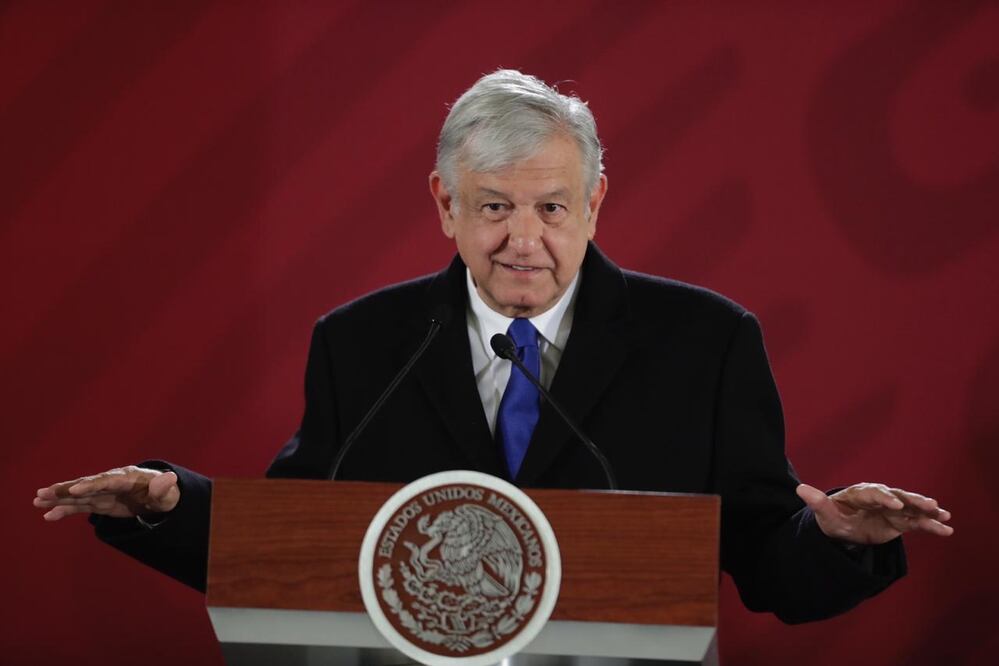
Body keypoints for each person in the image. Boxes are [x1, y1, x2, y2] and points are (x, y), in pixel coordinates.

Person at [34, 70, 952, 624]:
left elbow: (763, 557)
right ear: (443, 204)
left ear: (593, 203)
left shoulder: (705, 344)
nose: (522, 239)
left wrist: (832, 538)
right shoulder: (362, 346)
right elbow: (301, 546)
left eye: (551, 208)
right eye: (493, 208)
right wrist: (165, 503)